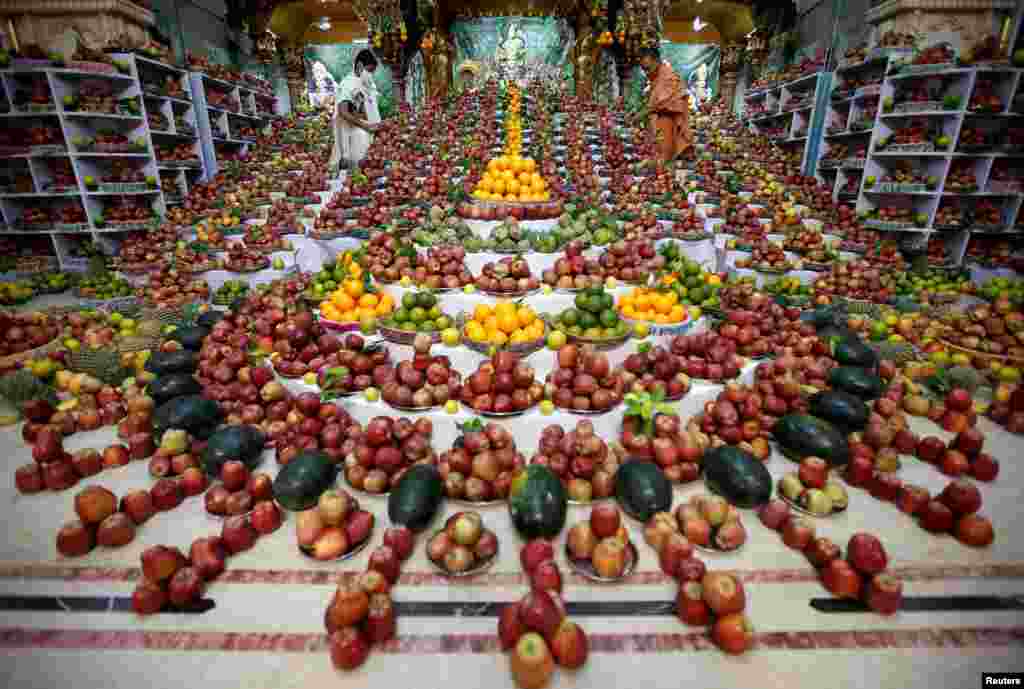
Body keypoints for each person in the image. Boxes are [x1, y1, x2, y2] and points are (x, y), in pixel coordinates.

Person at [329, 49, 381, 176]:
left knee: (364, 173)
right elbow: (343, 112)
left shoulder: (364, 83)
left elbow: (361, 110)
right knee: (353, 174)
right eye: (369, 71)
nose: (371, 74)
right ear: (360, 66)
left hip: (364, 134)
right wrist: (365, 126)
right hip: (351, 138)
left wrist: (374, 123)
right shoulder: (348, 84)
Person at [638, 45, 694, 164]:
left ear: (657, 61)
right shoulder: (657, 77)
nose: (646, 72)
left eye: (648, 68)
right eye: (643, 69)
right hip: (658, 122)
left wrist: (642, 113)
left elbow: (664, 103)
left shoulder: (668, 76)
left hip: (666, 120)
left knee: (663, 158)